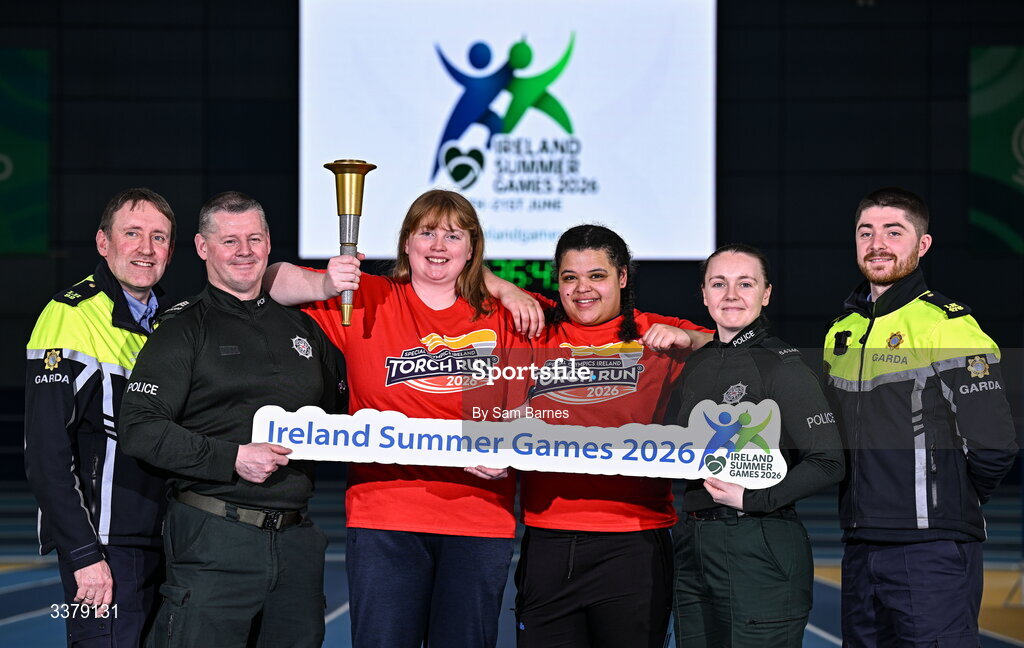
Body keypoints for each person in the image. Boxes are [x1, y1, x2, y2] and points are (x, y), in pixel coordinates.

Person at [264, 189, 543, 648]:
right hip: (384, 516)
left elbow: (538, 401)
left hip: (478, 518)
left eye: (453, 235)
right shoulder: (366, 299)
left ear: (472, 248)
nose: (438, 245)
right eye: (426, 232)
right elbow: (270, 280)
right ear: (406, 242)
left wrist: (512, 444)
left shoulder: (509, 314)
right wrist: (325, 284)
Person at [118, 192, 345, 648]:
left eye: (254, 239)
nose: (244, 251)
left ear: (268, 244)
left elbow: (346, 418)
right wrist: (233, 459)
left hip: (297, 542)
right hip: (213, 540)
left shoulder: (305, 328)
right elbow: (139, 427)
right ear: (203, 248)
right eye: (229, 240)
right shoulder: (183, 329)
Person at [823, 187, 1018, 646]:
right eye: (865, 232)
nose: (877, 244)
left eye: (894, 232)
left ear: (921, 244)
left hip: (932, 551)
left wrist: (946, 498)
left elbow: (993, 445)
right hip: (860, 545)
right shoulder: (842, 331)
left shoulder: (945, 324)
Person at [506, 224, 711, 648]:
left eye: (596, 275)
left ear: (622, 277)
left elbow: (736, 346)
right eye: (570, 277)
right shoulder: (535, 332)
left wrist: (689, 338)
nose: (583, 289)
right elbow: (463, 280)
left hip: (634, 544)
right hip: (548, 539)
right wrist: (507, 291)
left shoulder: (656, 334)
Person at [672, 243, 844, 647]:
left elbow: (830, 460)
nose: (731, 295)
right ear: (704, 294)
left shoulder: (782, 366)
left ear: (766, 294)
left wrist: (754, 499)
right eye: (719, 283)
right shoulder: (698, 365)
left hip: (758, 545)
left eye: (745, 283)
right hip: (693, 547)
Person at [25, 188, 175, 646]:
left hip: (166, 544)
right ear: (103, 243)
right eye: (132, 234)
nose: (146, 249)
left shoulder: (172, 324)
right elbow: (46, 452)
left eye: (159, 237)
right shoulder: (68, 315)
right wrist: (83, 554)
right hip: (105, 548)